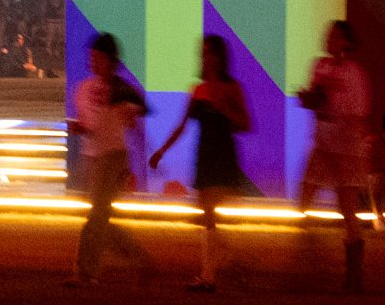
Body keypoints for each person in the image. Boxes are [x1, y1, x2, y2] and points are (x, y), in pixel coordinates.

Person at [152, 34, 252, 290]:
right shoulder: (198, 89)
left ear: (220, 57)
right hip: (204, 155)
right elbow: (182, 125)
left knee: (208, 214)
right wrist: (161, 150)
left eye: (211, 53)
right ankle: (230, 263)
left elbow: (245, 123)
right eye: (204, 53)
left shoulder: (232, 88)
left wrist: (223, 107)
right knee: (207, 216)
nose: (207, 58)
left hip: (223, 154)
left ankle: (209, 275)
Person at [66, 32, 154, 286]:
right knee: (99, 218)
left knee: (96, 217)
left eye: (99, 57)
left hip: (112, 157)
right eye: (92, 57)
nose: (94, 62)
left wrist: (142, 155)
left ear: (111, 60)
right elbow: (88, 123)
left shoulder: (121, 90)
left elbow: (132, 121)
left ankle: (85, 272)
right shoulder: (83, 89)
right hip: (91, 157)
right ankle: (138, 257)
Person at [297, 19, 374, 293]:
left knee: (348, 208)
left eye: (337, 35)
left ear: (348, 41)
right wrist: (309, 99)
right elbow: (316, 101)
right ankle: (310, 255)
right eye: (329, 34)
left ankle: (354, 273)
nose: (331, 39)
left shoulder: (356, 73)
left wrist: (351, 134)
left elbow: (359, 113)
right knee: (304, 195)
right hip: (323, 143)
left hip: (346, 147)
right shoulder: (321, 66)